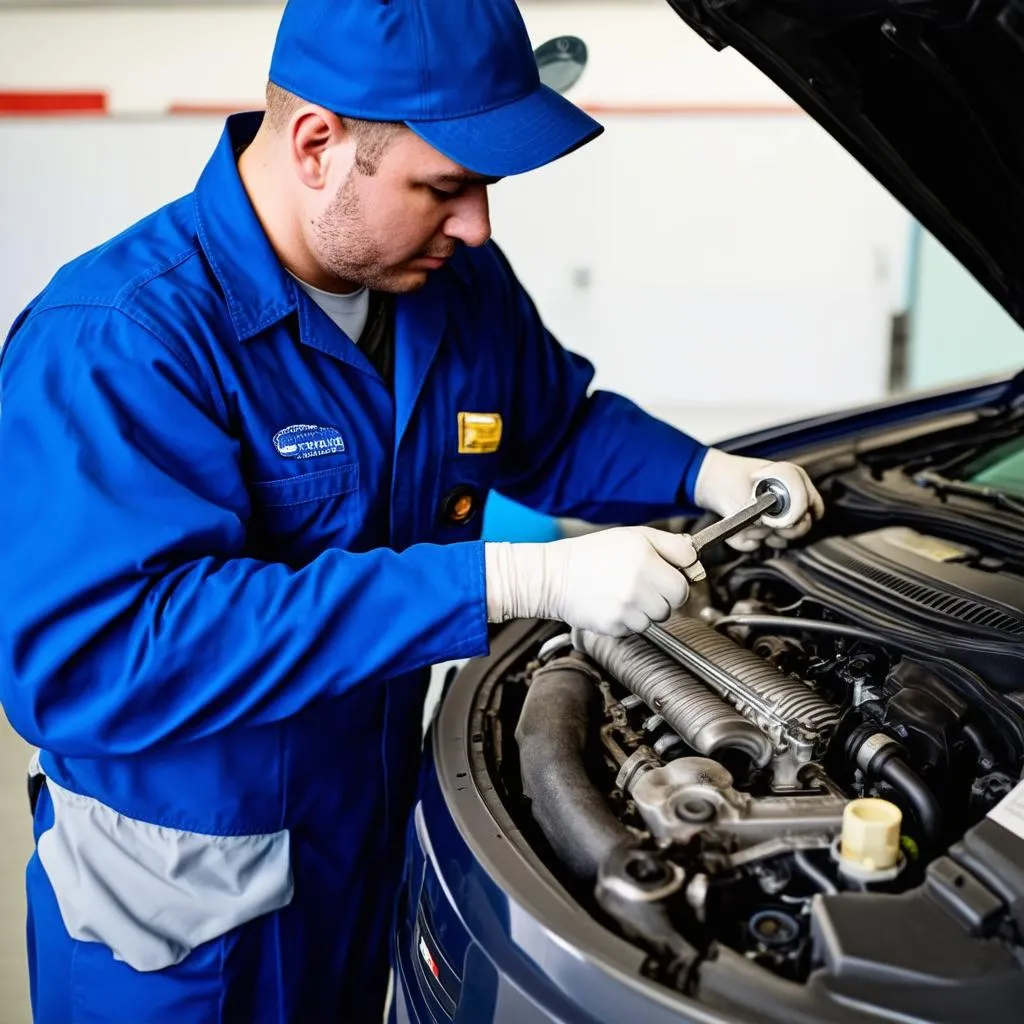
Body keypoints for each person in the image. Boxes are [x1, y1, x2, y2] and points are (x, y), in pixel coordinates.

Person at [0, 1, 823, 1021]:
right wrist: (511, 578)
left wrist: (703, 473)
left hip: (366, 840)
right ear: (317, 145)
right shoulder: (121, 340)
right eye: (446, 187)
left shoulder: (451, 282)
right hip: (182, 908)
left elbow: (549, 427)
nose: (476, 225)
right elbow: (95, 655)